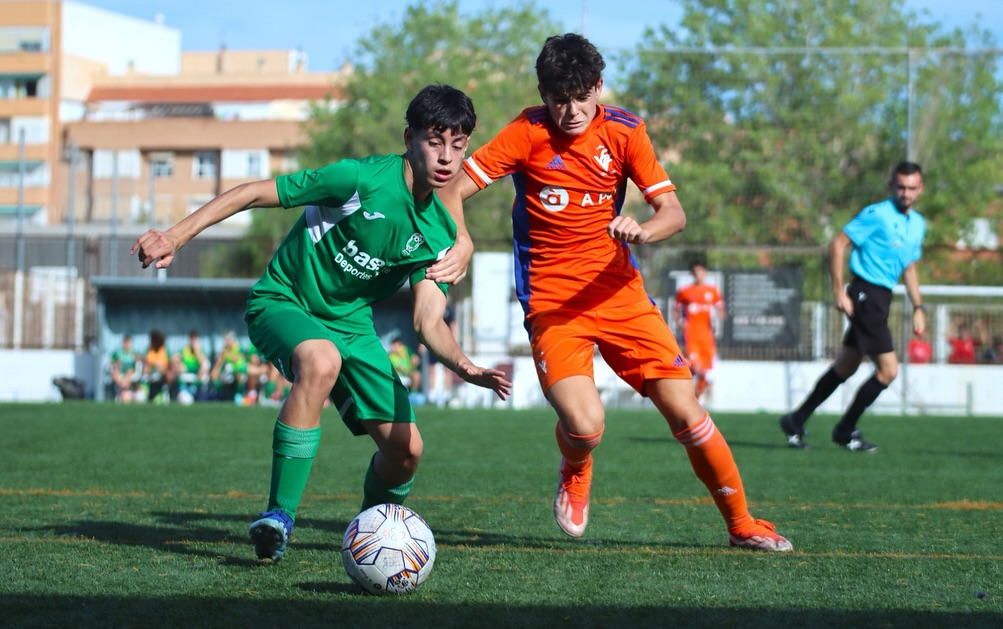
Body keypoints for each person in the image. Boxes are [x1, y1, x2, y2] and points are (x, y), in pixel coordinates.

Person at [434, 34, 791, 551]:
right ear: (544, 93)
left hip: (619, 293)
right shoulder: (526, 130)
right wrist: (463, 238)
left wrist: (645, 229)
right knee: (585, 424)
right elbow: (451, 189)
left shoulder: (625, 131)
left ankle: (741, 524)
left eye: (583, 96)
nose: (572, 110)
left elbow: (674, 212)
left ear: (599, 87)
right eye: (560, 98)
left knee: (687, 412)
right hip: (552, 304)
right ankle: (576, 468)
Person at [131, 84, 511, 562]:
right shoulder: (358, 179)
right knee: (320, 357)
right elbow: (253, 192)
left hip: (353, 326)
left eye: (458, 146)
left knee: (406, 451)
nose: (447, 158)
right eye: (435, 142)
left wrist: (464, 365)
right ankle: (278, 518)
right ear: (408, 137)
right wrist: (175, 235)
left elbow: (427, 320)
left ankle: (373, 540)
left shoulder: (439, 232)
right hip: (284, 302)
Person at [779, 161, 928, 452]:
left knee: (845, 367)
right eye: (900, 187)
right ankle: (845, 430)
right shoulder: (877, 214)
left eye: (912, 188)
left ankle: (795, 420)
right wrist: (839, 289)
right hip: (864, 294)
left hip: (882, 297)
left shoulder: (918, 224)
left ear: (920, 189)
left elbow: (909, 267)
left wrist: (918, 307)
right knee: (888, 371)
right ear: (891, 186)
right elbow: (837, 243)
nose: (906, 193)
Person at [674, 260, 726, 402]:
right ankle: (691, 398)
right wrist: (680, 322)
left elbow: (721, 308)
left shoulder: (712, 291)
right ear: (692, 274)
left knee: (705, 371)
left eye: (701, 271)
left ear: (705, 272)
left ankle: (696, 399)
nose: (698, 274)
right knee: (696, 368)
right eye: (695, 271)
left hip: (707, 336)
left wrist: (720, 313)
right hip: (691, 335)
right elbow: (676, 309)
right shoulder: (685, 292)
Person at [171, 329, 210, 402]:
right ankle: (182, 392)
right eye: (192, 339)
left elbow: (203, 364)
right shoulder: (185, 350)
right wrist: (179, 363)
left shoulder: (200, 350)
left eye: (195, 340)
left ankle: (196, 391)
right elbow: (174, 357)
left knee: (204, 367)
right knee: (177, 368)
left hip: (197, 374)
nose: (193, 342)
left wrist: (197, 352)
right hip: (186, 372)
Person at [210, 331, 249, 403]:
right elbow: (219, 363)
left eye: (227, 340)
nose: (225, 342)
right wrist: (216, 370)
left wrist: (228, 356)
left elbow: (238, 359)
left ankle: (238, 395)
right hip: (227, 372)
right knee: (214, 373)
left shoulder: (238, 347)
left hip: (238, 371)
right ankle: (219, 395)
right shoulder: (224, 350)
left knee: (239, 375)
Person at [142, 329, 173, 403]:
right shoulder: (149, 350)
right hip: (150, 379)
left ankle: (162, 393)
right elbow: (145, 367)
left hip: (162, 379)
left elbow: (170, 367)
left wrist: (162, 369)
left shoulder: (165, 350)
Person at [109, 334, 141, 403]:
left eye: (128, 343)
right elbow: (111, 362)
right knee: (115, 372)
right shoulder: (118, 353)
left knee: (129, 371)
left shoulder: (133, 352)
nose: (127, 345)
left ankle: (123, 390)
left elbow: (139, 360)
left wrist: (137, 360)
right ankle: (124, 389)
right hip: (120, 371)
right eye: (125, 343)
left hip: (130, 371)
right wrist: (117, 363)